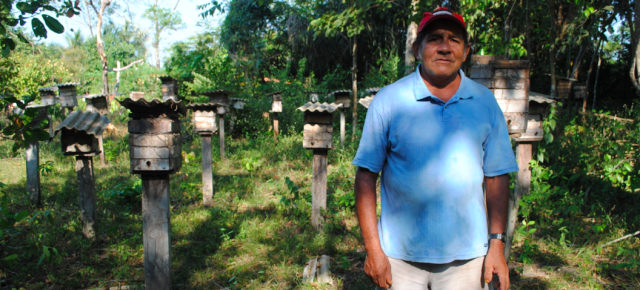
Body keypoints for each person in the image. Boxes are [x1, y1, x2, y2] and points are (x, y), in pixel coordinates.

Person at [352, 7, 519, 290]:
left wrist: (496, 246)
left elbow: (497, 178)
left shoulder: (484, 103)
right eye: (435, 39)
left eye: (454, 40)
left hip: (469, 258)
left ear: (466, 52)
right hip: (399, 258)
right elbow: (366, 176)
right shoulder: (389, 100)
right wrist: (373, 250)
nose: (445, 47)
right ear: (418, 49)